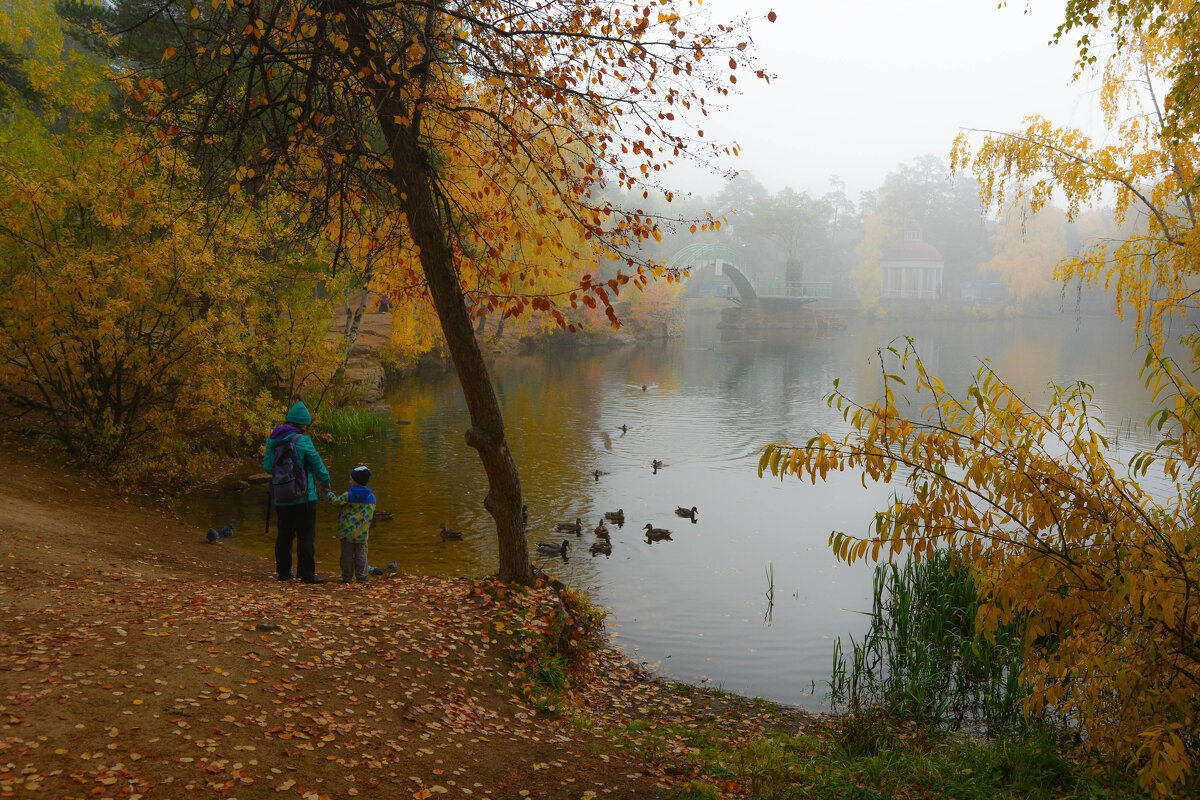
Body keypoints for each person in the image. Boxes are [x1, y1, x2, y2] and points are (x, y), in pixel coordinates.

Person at [264, 401, 331, 583]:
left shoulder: (273, 439)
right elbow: (317, 464)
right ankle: (307, 574)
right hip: (305, 496)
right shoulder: (303, 440)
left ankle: (284, 573)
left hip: (281, 497)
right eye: (305, 425)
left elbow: (268, 466)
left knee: (284, 534)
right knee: (306, 536)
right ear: (302, 424)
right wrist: (325, 482)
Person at [325, 465, 377, 583]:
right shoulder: (372, 498)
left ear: (355, 481)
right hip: (362, 533)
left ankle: (347, 577)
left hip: (347, 532)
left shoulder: (348, 495)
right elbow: (371, 514)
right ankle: (362, 577)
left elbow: (335, 501)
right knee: (362, 555)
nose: (349, 481)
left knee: (346, 556)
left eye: (350, 479)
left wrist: (327, 492)